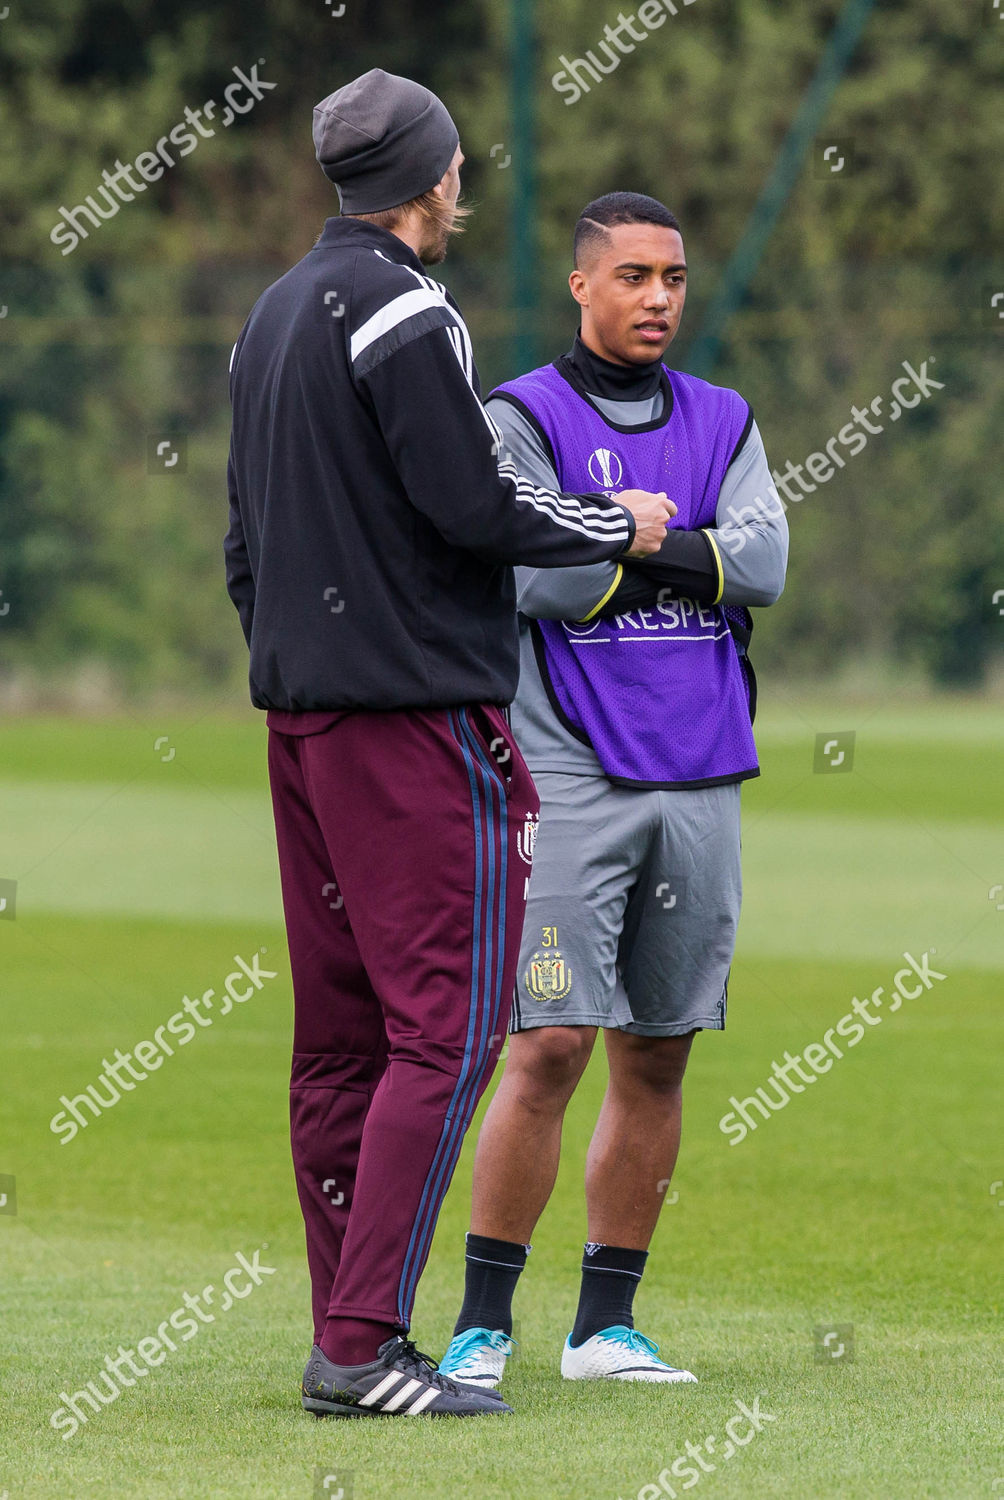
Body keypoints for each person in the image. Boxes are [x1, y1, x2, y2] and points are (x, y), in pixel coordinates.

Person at [224, 76, 673, 1421]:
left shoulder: (268, 316)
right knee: (448, 1033)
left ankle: (341, 1331)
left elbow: (246, 544)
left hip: (301, 725)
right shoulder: (409, 309)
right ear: (436, 179)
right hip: (414, 727)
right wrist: (619, 528)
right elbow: (472, 506)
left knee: (341, 1044)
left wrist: (295, 658)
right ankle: (362, 1348)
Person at [438, 192, 788, 1389]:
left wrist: (628, 541)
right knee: (546, 1046)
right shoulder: (519, 417)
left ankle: (604, 1329)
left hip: (700, 771)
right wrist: (678, 554)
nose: (657, 298)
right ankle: (482, 1324)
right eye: (633, 276)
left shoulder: (723, 417)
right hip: (570, 775)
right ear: (581, 286)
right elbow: (528, 583)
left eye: (674, 278)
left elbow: (768, 562)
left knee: (658, 1055)